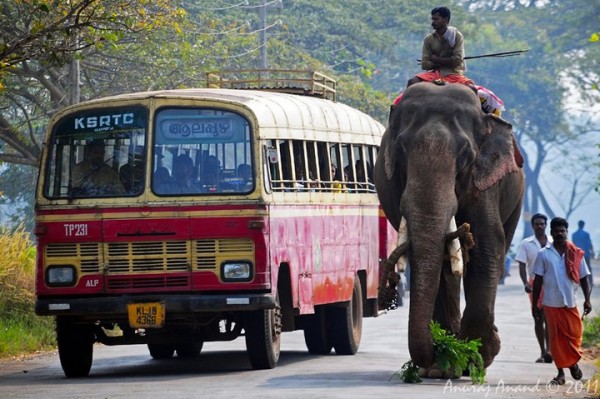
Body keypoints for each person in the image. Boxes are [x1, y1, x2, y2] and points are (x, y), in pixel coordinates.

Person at [532, 217, 592, 386]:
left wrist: (587, 299)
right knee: (556, 341)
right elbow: (537, 280)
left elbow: (584, 278)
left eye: (562, 231)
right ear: (551, 232)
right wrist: (535, 304)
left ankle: (572, 363)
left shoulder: (575, 253)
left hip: (571, 303)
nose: (559, 233)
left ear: (566, 232)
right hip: (551, 303)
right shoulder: (543, 254)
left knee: (574, 336)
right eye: (556, 231)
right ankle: (560, 373)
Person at [515, 213, 552, 363]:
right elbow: (522, 265)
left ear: (546, 225)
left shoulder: (553, 241)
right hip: (535, 283)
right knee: (538, 317)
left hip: (552, 284)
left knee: (549, 318)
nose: (540, 226)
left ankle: (550, 351)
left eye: (542, 224)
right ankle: (543, 351)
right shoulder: (526, 243)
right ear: (533, 226)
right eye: (537, 224)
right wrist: (525, 282)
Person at [406, 6, 474, 88]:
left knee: (472, 88)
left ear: (445, 20)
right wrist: (446, 61)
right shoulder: (428, 39)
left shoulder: (456, 36)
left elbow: (457, 60)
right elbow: (424, 64)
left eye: (436, 19)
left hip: (453, 74)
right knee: (412, 81)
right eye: (432, 19)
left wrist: (436, 59)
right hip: (434, 73)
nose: (432, 22)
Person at [572, 220, 595, 286]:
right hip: (586, 253)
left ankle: (579, 282)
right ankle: (590, 282)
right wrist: (592, 252)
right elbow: (589, 244)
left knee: (578, 268)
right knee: (588, 268)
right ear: (583, 225)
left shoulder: (574, 234)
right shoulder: (586, 234)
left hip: (577, 254)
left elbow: (573, 244)